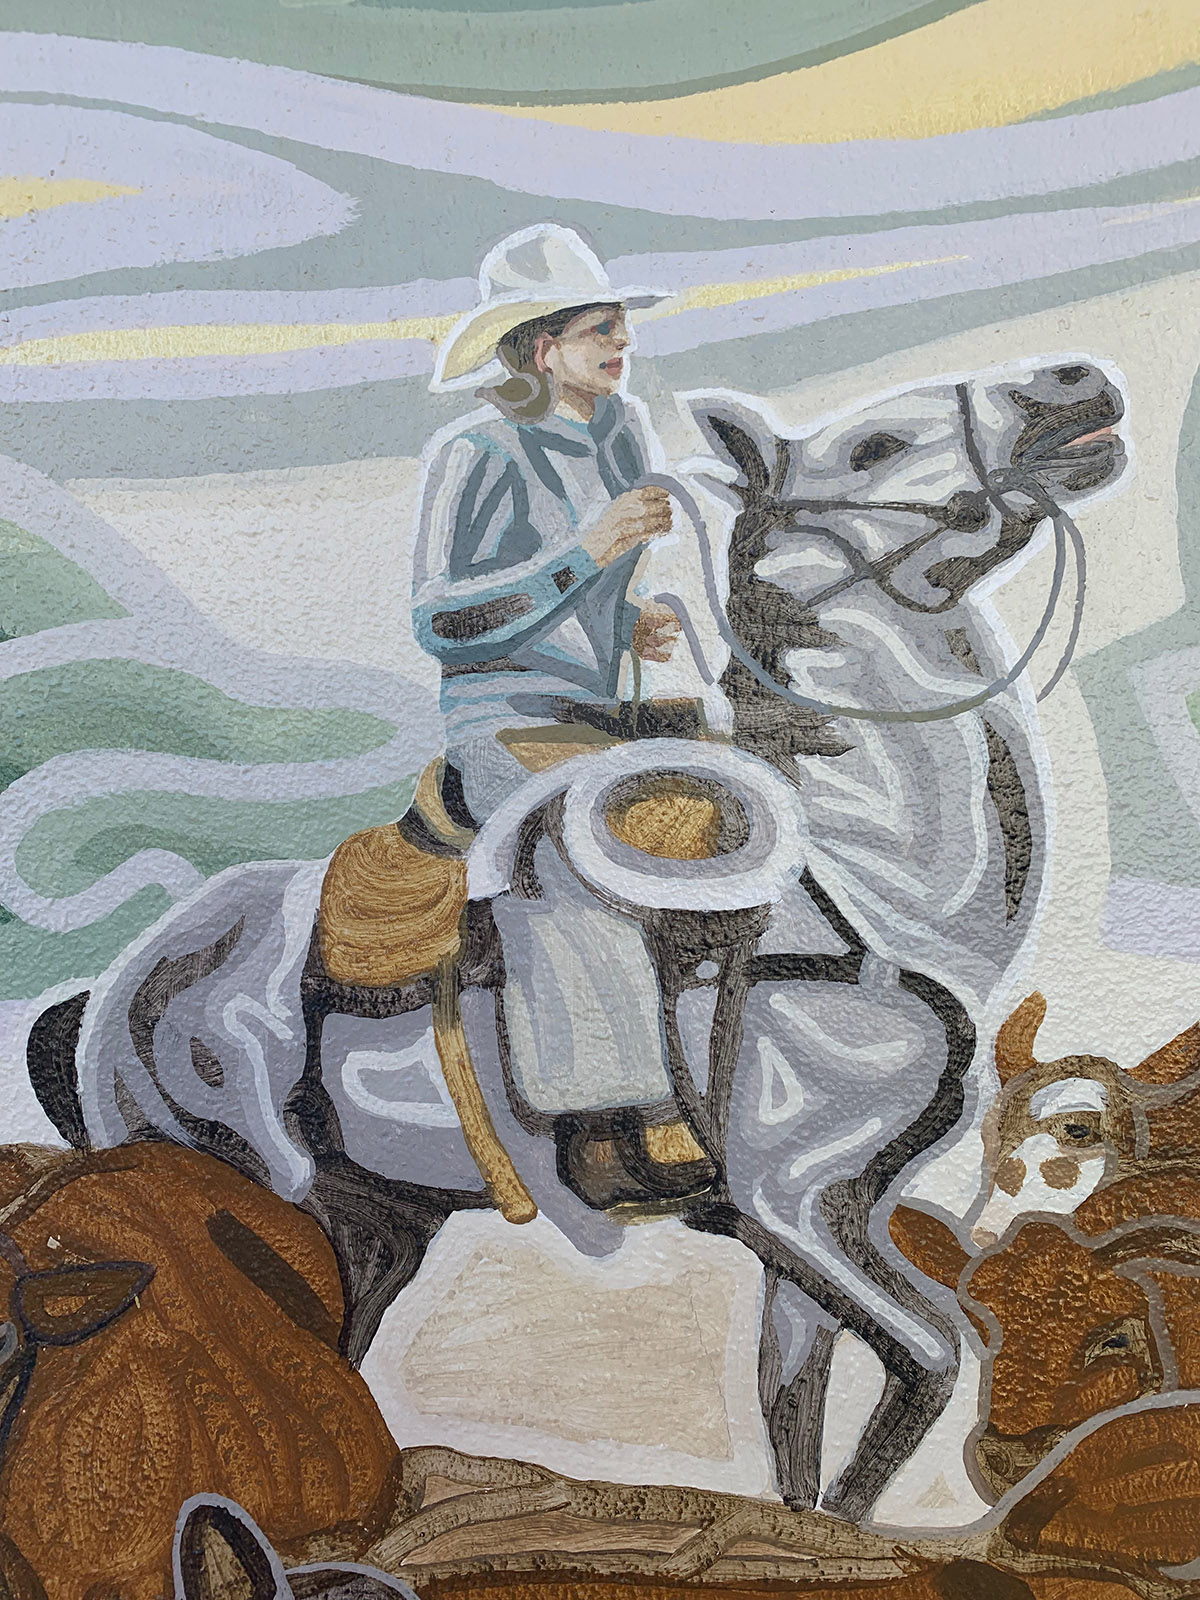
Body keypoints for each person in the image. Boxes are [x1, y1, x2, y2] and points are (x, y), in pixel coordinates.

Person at [411, 223, 717, 1210]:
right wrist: (587, 555)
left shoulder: (623, 432)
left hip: (603, 711)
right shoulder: (475, 450)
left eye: (620, 326)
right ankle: (609, 1118)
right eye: (600, 329)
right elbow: (440, 621)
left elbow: (583, 599)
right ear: (543, 349)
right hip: (502, 719)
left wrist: (631, 616)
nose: (621, 343)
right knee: (572, 841)